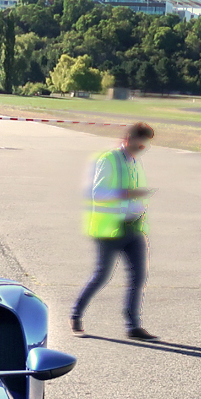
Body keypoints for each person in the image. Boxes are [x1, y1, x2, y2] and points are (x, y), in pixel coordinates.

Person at [72, 122, 157, 341]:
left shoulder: (134, 162)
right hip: (109, 230)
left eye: (145, 145)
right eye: (140, 144)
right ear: (128, 138)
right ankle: (76, 314)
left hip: (133, 228)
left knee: (138, 276)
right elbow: (98, 193)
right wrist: (129, 193)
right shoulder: (108, 160)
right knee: (102, 276)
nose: (143, 148)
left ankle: (133, 325)